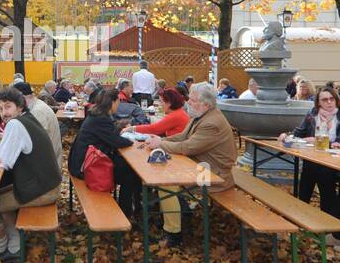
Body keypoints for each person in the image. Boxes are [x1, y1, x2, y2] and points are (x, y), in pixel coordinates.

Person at [141, 82, 237, 248]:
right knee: (165, 177)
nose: (187, 102)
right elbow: (181, 137)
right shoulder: (202, 115)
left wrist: (160, 144)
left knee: (168, 185)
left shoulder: (211, 123)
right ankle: (181, 214)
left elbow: (187, 147)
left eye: (192, 100)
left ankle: (174, 234)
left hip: (215, 174)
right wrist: (160, 140)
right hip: (203, 166)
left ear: (206, 104)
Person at [0, 88, 62, 263]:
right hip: (49, 182)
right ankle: (9, 243)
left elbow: (3, 161)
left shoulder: (15, 124)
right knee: (2, 193)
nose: (4, 113)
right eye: (0, 109)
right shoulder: (28, 119)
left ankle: (11, 247)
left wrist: (0, 157)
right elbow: (4, 156)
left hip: (46, 190)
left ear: (20, 107)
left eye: (8, 107)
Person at [280, 87, 340, 248]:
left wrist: (319, 141)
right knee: (308, 175)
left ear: (336, 100)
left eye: (331, 99)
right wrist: (287, 135)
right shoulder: (312, 115)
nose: (328, 103)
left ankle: (325, 223)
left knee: (323, 177)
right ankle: (301, 217)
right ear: (318, 103)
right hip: (313, 158)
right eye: (324, 100)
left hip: (334, 161)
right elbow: (299, 133)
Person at [69, 86, 140, 220]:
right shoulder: (101, 119)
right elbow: (117, 141)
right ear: (112, 102)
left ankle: (133, 209)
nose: (119, 104)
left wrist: (120, 127)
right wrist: (133, 141)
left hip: (85, 160)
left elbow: (109, 133)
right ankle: (126, 213)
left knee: (128, 170)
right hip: (85, 167)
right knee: (130, 175)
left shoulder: (97, 115)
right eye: (118, 101)